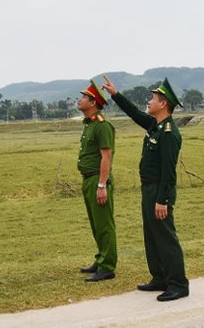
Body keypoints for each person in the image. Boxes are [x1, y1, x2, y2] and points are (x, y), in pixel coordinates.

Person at [101, 75, 189, 301]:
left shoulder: (169, 132)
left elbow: (169, 172)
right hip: (148, 189)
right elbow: (135, 114)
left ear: (164, 104)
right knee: (152, 236)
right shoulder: (156, 125)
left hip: (159, 190)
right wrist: (116, 95)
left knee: (166, 237)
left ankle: (178, 284)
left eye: (153, 98)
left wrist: (163, 200)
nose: (148, 102)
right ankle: (160, 278)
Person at [76, 79, 117, 282]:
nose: (80, 99)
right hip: (88, 180)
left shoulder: (102, 126)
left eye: (84, 97)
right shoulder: (89, 125)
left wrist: (102, 185)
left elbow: (106, 157)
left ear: (93, 103)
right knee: (95, 224)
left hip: (97, 180)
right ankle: (101, 259)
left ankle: (108, 266)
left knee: (104, 225)